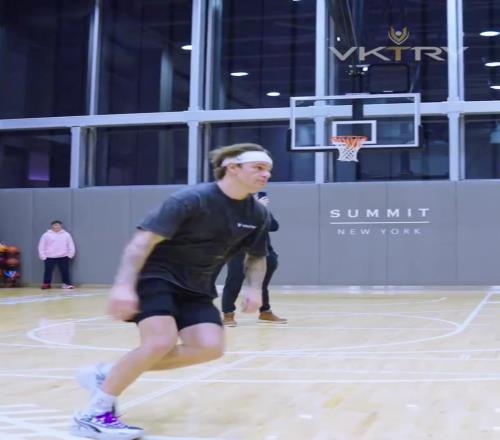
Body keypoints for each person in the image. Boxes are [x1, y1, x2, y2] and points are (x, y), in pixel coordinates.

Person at [71, 143, 273, 440]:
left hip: (198, 285)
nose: (266, 174)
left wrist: (255, 289)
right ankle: (93, 415)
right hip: (156, 276)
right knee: (160, 342)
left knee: (209, 347)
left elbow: (256, 256)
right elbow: (141, 242)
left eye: (268, 170)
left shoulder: (257, 214)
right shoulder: (191, 199)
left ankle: (109, 374)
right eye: (258, 168)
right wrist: (123, 285)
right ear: (233, 168)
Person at [221, 193, 287, 326]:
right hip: (238, 251)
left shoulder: (262, 210)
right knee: (234, 281)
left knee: (262, 283)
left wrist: (263, 210)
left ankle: (265, 311)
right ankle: (228, 314)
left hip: (262, 250)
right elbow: (238, 227)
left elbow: (274, 226)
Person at [38, 220, 75, 289]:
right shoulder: (46, 235)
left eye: (58, 225)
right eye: (55, 225)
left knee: (65, 270)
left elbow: (71, 244)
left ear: (61, 226)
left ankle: (66, 284)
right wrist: (43, 256)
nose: (56, 226)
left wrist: (70, 254)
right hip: (49, 256)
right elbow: (41, 245)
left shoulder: (66, 235)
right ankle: (46, 284)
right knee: (48, 270)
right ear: (52, 226)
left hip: (63, 256)